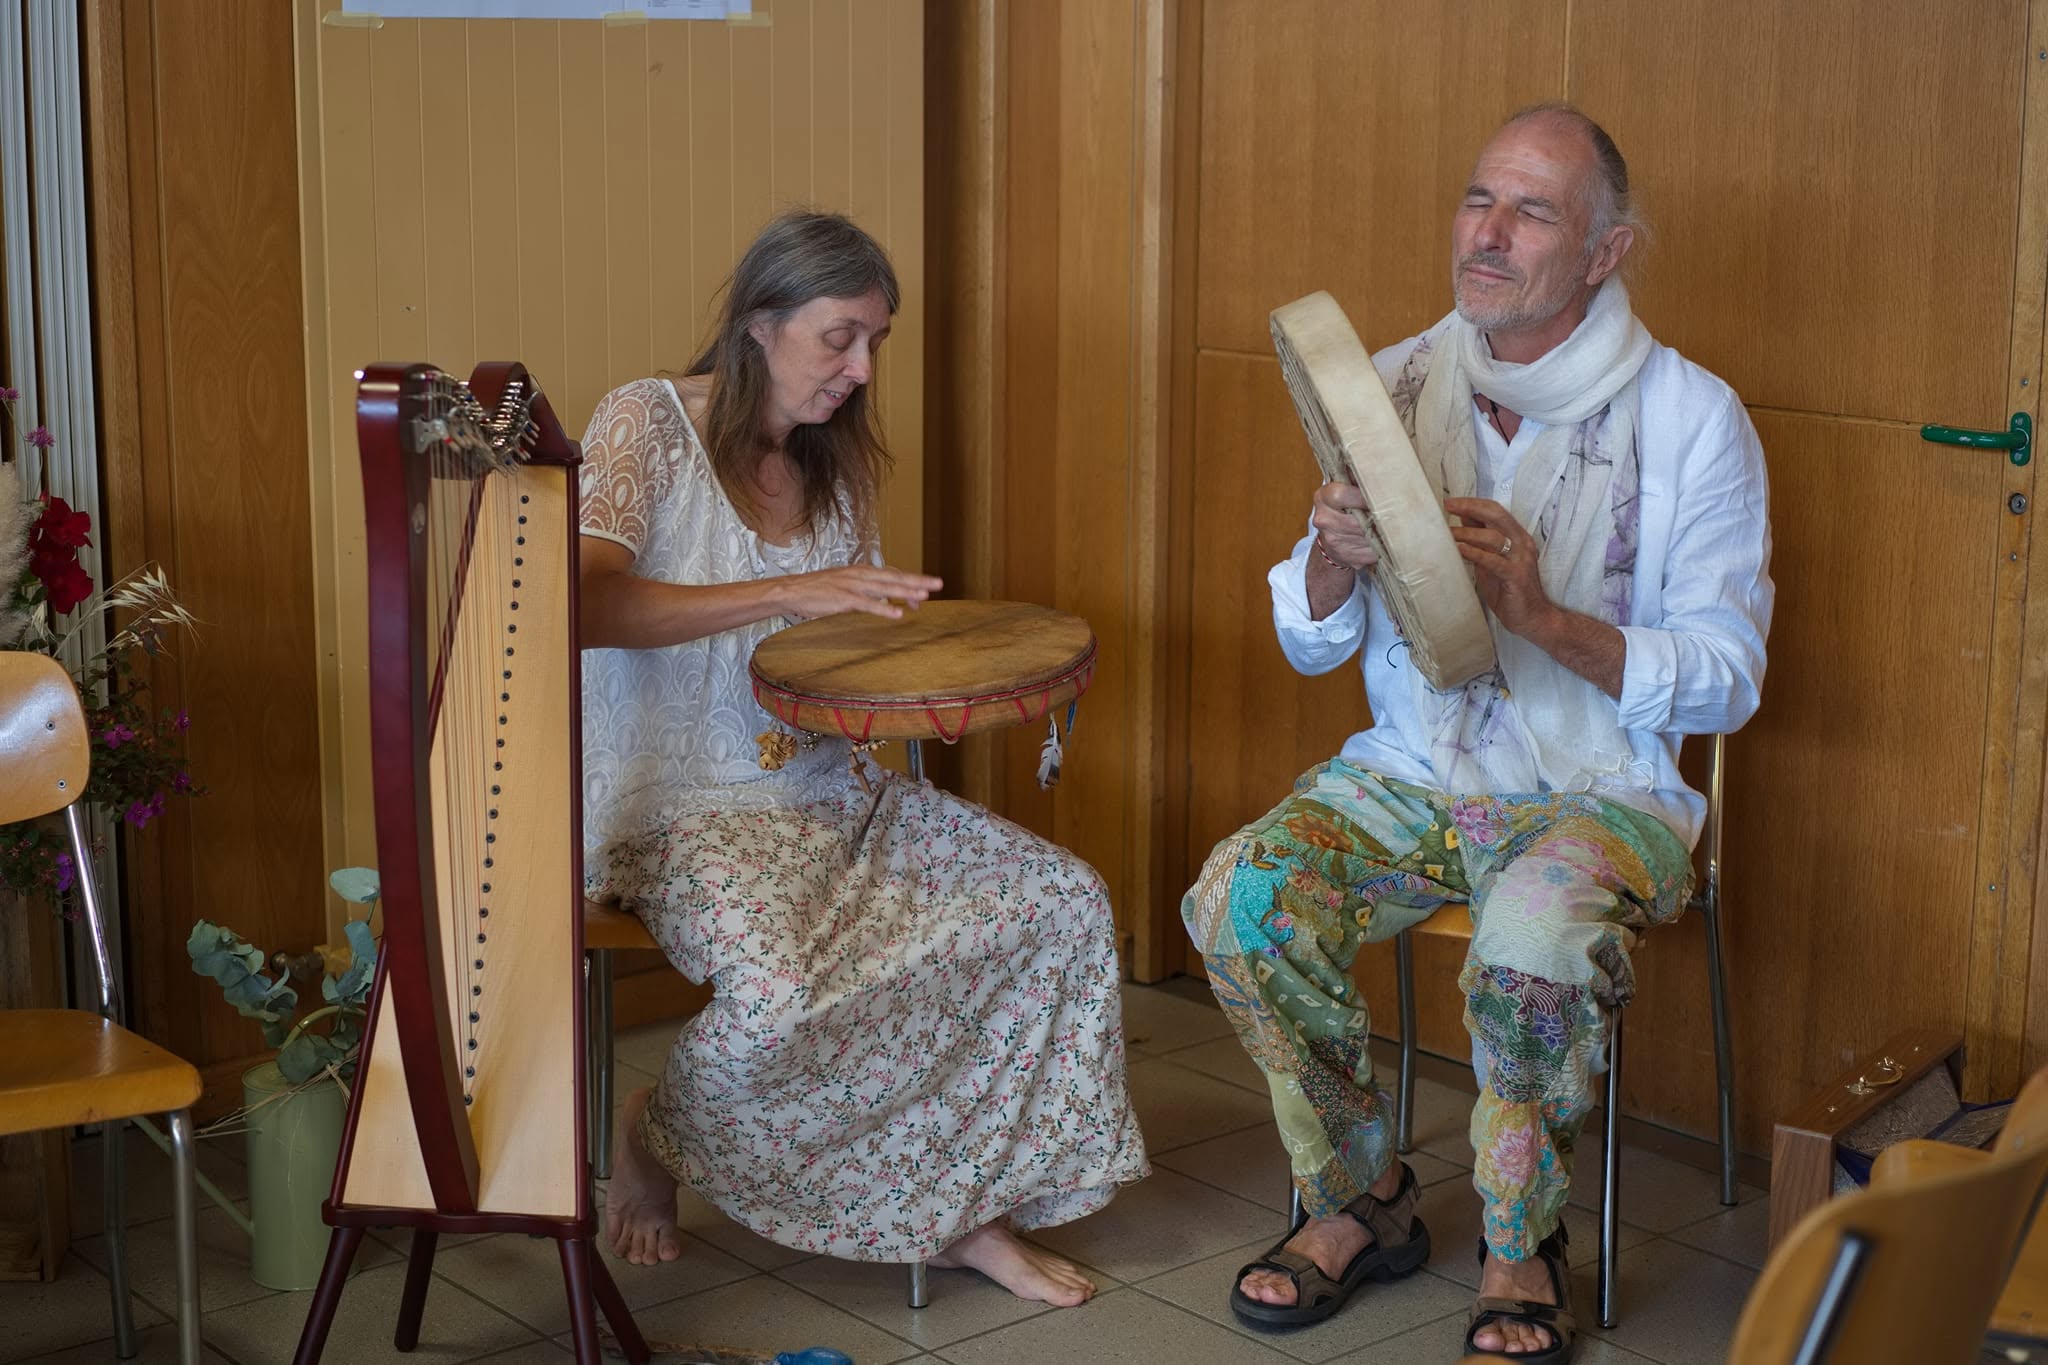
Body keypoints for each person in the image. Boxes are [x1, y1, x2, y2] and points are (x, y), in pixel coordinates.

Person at [1182, 105, 1771, 1360]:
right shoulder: (1390, 380)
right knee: (1240, 897)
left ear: (1605, 252)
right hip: (1409, 776)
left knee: (1530, 942)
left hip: (1602, 793)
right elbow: (1309, 639)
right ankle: (1358, 1198)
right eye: (1475, 199)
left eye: (1530, 212)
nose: (1486, 235)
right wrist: (1332, 562)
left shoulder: (1691, 417)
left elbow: (1726, 681)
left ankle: (1520, 1243)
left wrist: (1543, 619)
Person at [582, 209, 1147, 1307]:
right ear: (759, 323)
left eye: (875, 341)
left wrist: (937, 675)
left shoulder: (834, 463)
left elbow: (837, 655)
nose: (861, 369)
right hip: (677, 809)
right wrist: (787, 590)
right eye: (839, 337)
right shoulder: (645, 421)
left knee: (1057, 901)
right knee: (783, 993)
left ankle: (960, 1208)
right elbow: (584, 604)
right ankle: (655, 1133)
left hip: (830, 791)